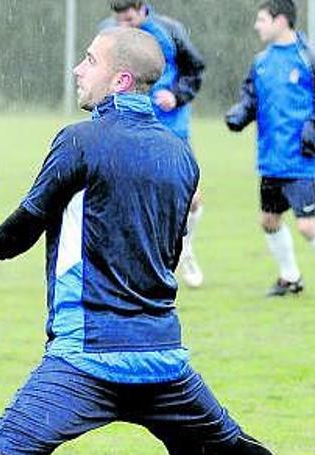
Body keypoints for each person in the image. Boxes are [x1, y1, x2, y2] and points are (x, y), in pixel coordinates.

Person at [0, 27, 301, 455]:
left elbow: (24, 228)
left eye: (90, 60)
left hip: (86, 356)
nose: (78, 68)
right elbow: (170, 254)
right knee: (233, 444)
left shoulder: (78, 141)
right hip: (162, 359)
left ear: (121, 81)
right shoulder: (182, 157)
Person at [226, 0, 315, 300]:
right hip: (272, 160)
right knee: (269, 221)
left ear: (281, 21)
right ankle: (290, 278)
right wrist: (239, 114)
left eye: (262, 19)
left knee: (308, 226)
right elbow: (251, 97)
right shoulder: (261, 61)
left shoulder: (308, 58)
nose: (256, 25)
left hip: (304, 161)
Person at [105, 0, 207, 288]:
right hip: (128, 127)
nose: (123, 25)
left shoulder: (169, 31)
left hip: (171, 128)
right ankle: (135, 266)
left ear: (141, 8)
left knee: (193, 200)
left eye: (128, 19)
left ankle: (185, 250)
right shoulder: (109, 33)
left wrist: (176, 95)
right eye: (118, 20)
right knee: (129, 196)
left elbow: (195, 70)